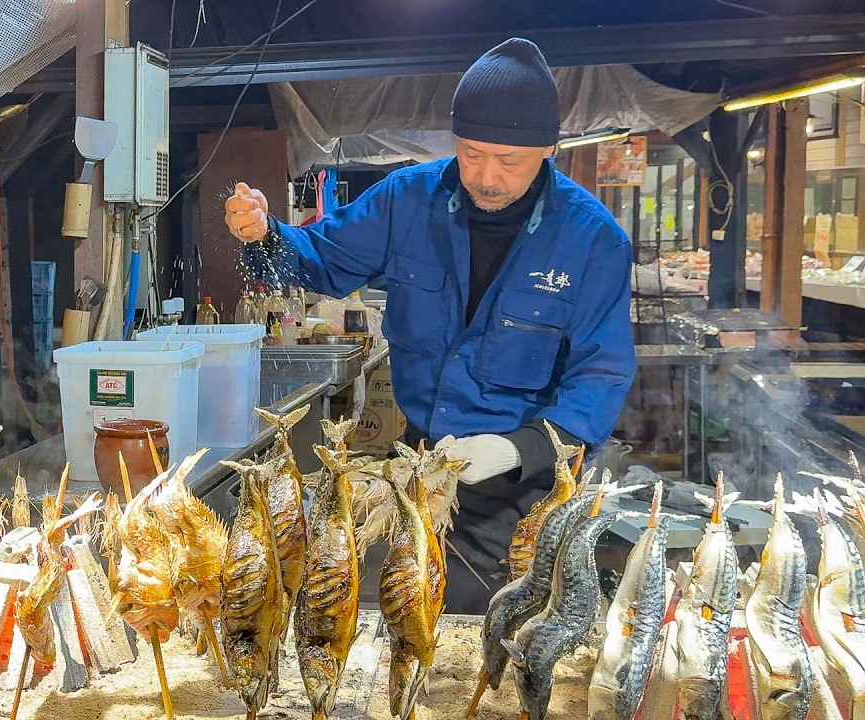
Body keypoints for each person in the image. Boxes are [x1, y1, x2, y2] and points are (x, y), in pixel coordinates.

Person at [225, 37, 635, 613]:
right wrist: (263, 234)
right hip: (421, 472)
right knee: (408, 624)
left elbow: (603, 374)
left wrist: (517, 449)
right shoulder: (408, 199)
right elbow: (319, 259)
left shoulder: (593, 239)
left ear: (548, 148)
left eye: (509, 160)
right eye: (470, 153)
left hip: (524, 494)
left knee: (497, 645)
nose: (486, 175)